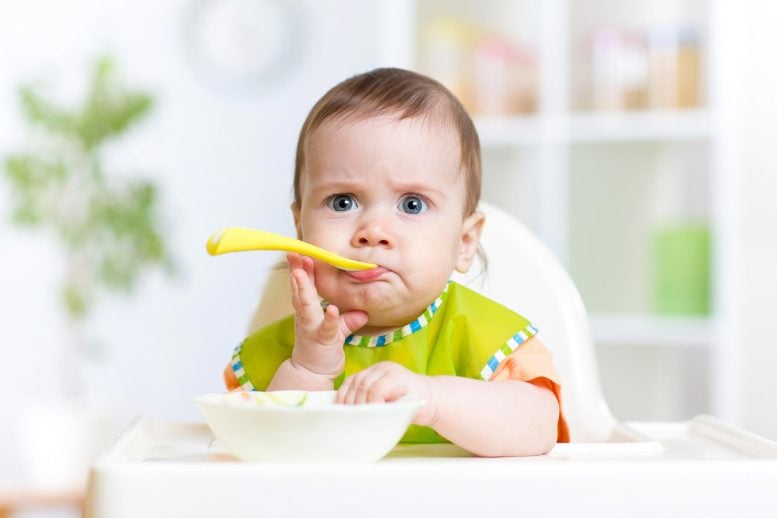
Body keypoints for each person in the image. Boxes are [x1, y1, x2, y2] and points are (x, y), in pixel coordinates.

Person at [223, 68, 569, 456]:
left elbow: (538, 429)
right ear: (301, 230)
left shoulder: (487, 341)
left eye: (412, 204)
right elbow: (267, 451)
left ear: (464, 242)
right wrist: (309, 369)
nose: (373, 231)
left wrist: (433, 398)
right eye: (342, 202)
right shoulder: (283, 351)